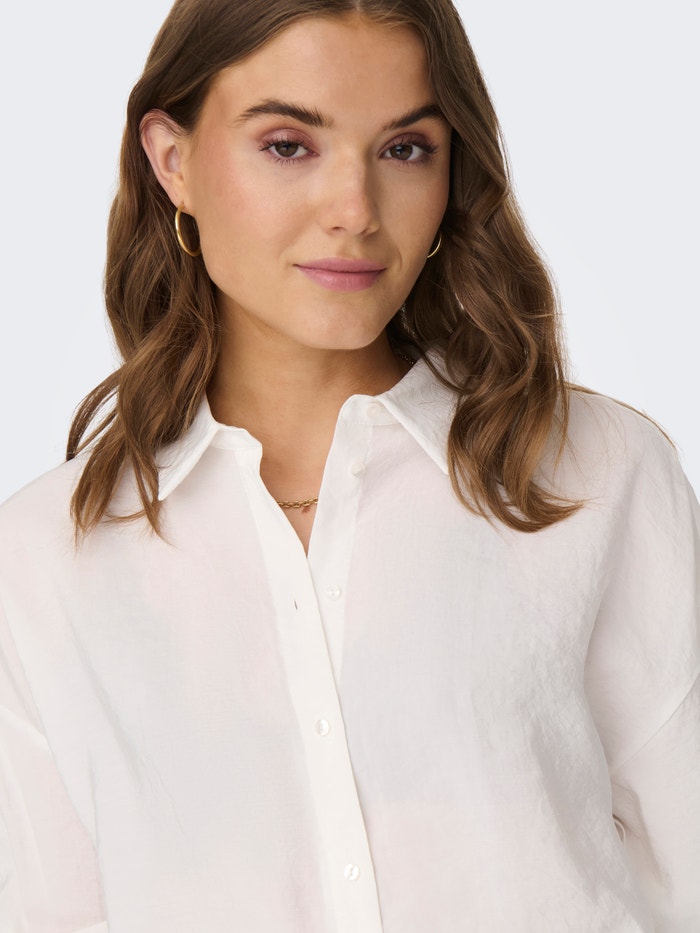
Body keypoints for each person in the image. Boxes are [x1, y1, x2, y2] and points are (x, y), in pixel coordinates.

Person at [0, 0, 697, 929]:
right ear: (173, 161)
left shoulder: (595, 477)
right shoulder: (44, 562)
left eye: (405, 149)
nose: (356, 212)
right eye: (288, 145)